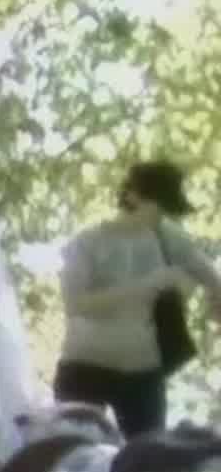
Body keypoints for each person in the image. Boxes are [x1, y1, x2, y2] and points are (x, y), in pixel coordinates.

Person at [53, 159, 218, 441]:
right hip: (85, 368)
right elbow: (74, 304)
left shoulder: (167, 236)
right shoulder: (87, 243)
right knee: (76, 460)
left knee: (150, 468)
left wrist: (212, 299)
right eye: (155, 205)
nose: (159, 215)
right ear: (132, 196)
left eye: (166, 208)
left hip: (142, 374)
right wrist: (147, 286)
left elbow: (210, 277)